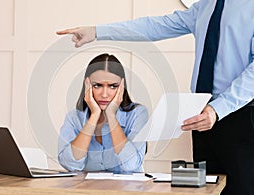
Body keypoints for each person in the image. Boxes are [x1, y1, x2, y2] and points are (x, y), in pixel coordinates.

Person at [56, 1, 254, 194]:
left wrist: (219, 108)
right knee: (205, 190)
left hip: (239, 113)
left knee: (242, 187)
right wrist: (97, 32)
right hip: (201, 115)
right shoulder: (205, 6)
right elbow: (155, 26)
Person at [58, 53, 148, 173]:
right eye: (97, 85)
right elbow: (70, 164)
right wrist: (94, 116)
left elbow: (130, 165)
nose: (104, 94)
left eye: (112, 86)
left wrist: (111, 116)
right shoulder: (74, 117)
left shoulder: (138, 114)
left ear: (121, 87)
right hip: (87, 190)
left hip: (126, 190)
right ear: (87, 85)